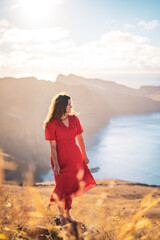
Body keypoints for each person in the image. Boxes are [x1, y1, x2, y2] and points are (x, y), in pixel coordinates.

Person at [43, 92, 96, 225]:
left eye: (70, 104)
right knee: (62, 187)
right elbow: (53, 147)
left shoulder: (74, 119)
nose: (71, 106)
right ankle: (61, 215)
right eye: (68, 104)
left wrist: (84, 155)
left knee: (72, 186)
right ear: (61, 106)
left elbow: (80, 138)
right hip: (60, 159)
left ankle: (67, 214)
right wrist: (56, 164)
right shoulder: (51, 124)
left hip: (75, 157)